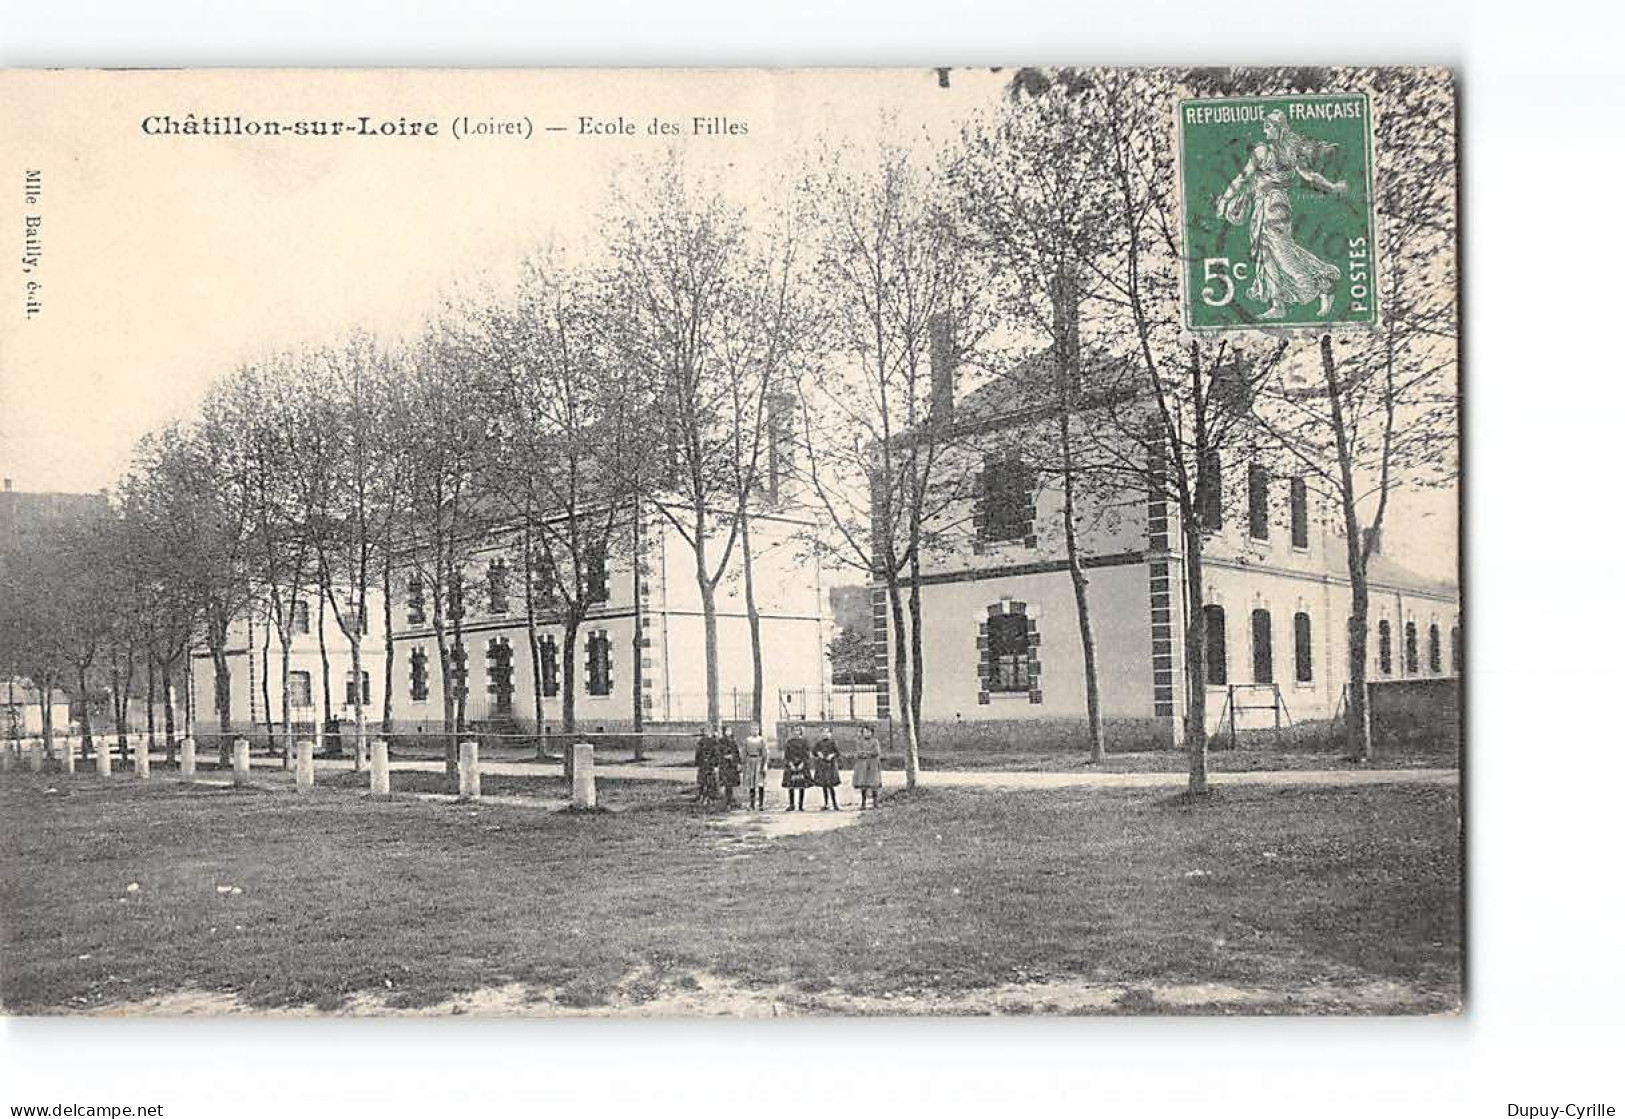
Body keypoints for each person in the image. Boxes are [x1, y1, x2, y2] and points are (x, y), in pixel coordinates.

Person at [1214, 109, 1348, 321]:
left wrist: (1332, 187)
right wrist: (1225, 199)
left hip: (1277, 204)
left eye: (1269, 127)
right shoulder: (1260, 151)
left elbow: (1309, 176)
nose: (1265, 131)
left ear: (1279, 129)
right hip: (1260, 204)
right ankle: (1278, 304)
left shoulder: (1288, 152)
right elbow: (1242, 178)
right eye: (1264, 127)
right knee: (1264, 250)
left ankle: (1324, 283)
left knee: (1280, 249)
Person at [851, 724, 882, 809]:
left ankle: (875, 803)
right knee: (863, 784)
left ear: (872, 733)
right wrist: (867, 753)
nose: (866, 734)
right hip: (863, 765)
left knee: (874, 783)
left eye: (868, 732)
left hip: (873, 765)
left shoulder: (875, 741)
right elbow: (859, 752)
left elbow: (876, 752)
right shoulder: (860, 742)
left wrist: (866, 753)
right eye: (864, 732)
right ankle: (863, 803)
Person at [811, 727, 842, 811]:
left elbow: (838, 752)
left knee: (831, 785)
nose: (825, 734)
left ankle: (835, 803)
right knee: (824, 785)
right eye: (823, 732)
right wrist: (818, 753)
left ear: (830, 734)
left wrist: (832, 755)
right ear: (821, 734)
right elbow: (813, 751)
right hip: (822, 766)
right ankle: (826, 803)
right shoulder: (819, 743)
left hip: (831, 765)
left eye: (827, 732)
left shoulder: (833, 742)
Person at [780, 728, 812, 812]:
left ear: (800, 732)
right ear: (792, 732)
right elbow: (786, 755)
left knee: (802, 785)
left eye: (798, 730)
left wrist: (802, 763)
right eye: (794, 730)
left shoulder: (804, 742)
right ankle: (791, 804)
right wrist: (790, 764)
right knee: (791, 785)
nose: (796, 732)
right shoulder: (789, 742)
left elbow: (807, 754)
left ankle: (801, 805)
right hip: (791, 766)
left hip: (802, 765)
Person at [741, 722, 770, 811]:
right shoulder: (747, 740)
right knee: (751, 784)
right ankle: (752, 804)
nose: (754, 731)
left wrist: (764, 765)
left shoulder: (761, 740)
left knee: (760, 783)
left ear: (758, 730)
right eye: (753, 729)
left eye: (756, 729)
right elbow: (744, 753)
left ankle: (761, 804)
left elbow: (765, 754)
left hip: (759, 762)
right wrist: (743, 763)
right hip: (750, 763)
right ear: (750, 730)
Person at [694, 726, 720, 808]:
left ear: (711, 732)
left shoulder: (714, 742)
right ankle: (702, 797)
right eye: (705, 731)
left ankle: (711, 798)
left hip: (710, 765)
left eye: (708, 731)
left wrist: (715, 764)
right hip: (703, 765)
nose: (706, 733)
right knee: (702, 781)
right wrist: (698, 762)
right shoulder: (700, 742)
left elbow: (716, 754)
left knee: (711, 782)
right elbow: (698, 754)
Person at [716, 726, 742, 809]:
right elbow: (718, 752)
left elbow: (737, 753)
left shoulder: (733, 742)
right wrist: (724, 756)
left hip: (732, 765)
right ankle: (727, 802)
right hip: (725, 765)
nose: (728, 732)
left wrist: (737, 761)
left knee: (731, 783)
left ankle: (731, 801)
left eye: (730, 730)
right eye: (727, 730)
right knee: (726, 783)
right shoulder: (721, 741)